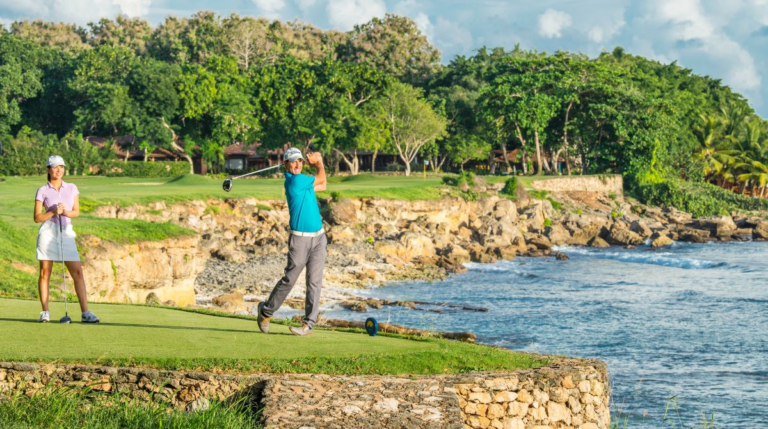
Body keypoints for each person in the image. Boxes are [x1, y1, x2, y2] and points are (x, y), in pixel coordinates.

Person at [257, 148, 327, 336]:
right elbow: (321, 179)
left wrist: (318, 164)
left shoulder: (303, 181)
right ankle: (266, 311)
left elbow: (324, 185)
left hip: (319, 238)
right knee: (290, 279)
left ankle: (308, 325)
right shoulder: (295, 181)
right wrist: (319, 162)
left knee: (314, 282)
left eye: (300, 161)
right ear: (286, 165)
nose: (297, 164)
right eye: (293, 161)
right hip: (300, 239)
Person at [34, 155, 100, 323]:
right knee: (45, 273)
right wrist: (53, 212)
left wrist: (65, 212)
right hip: (49, 232)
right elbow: (37, 217)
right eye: (55, 167)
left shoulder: (71, 188)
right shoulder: (42, 190)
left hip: (66, 232)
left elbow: (76, 211)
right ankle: (45, 311)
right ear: (48, 169)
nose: (59, 170)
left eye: (61, 167)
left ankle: (85, 312)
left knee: (77, 272)